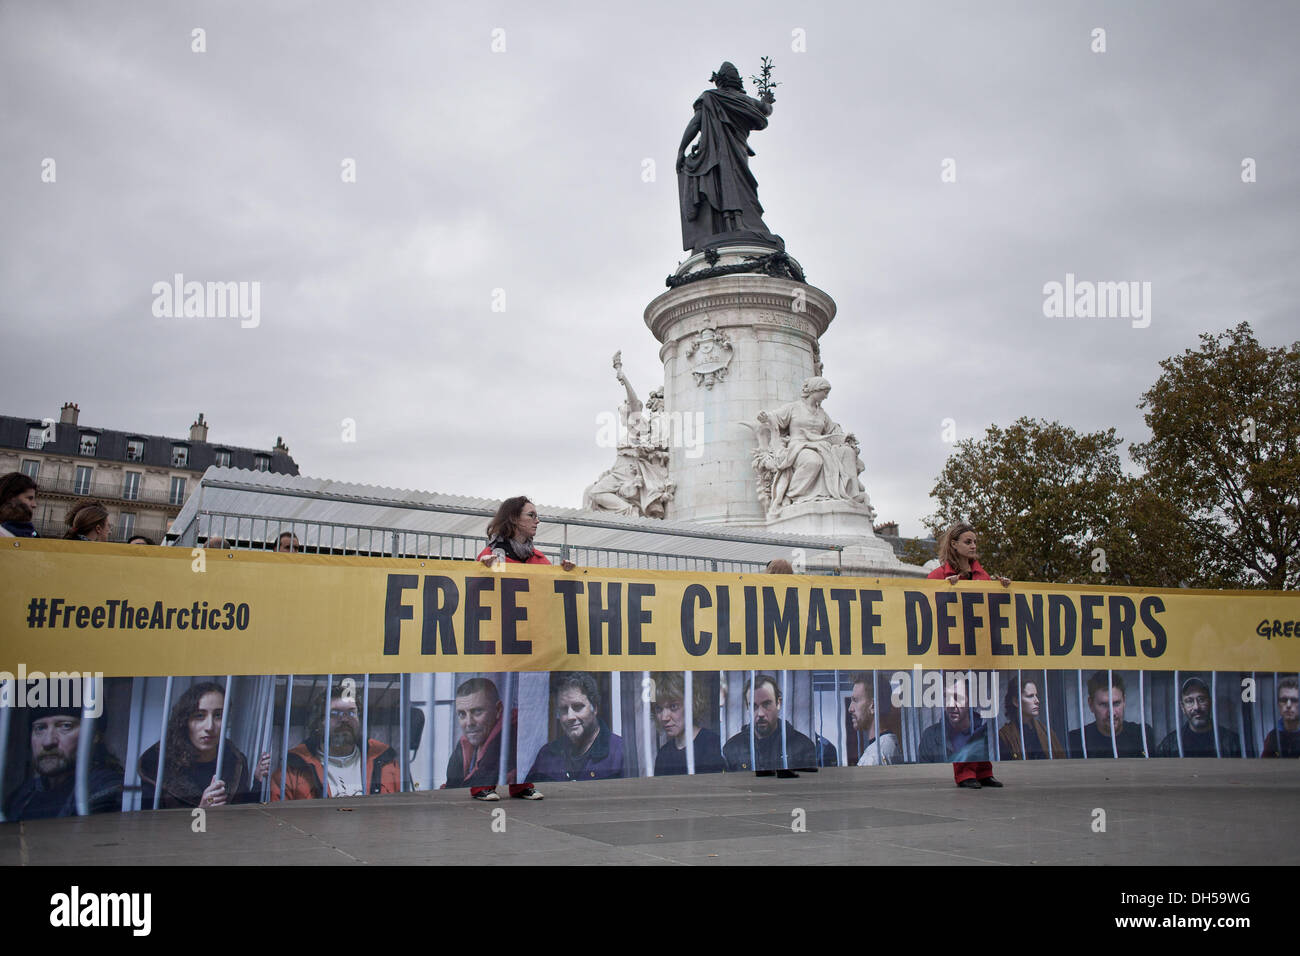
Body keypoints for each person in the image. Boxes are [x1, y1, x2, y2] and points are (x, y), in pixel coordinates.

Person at [676, 61, 781, 253]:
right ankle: (736, 224)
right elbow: (765, 110)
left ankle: (732, 224)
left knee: (726, 183)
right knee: (739, 186)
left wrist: (681, 150)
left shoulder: (711, 97)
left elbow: (695, 124)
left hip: (718, 156)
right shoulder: (744, 100)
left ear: (719, 81)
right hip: (735, 153)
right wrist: (767, 100)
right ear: (737, 81)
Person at [138, 681, 270, 808]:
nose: (210, 726)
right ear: (185, 721)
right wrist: (201, 811)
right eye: (199, 715)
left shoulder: (236, 762)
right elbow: (152, 826)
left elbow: (242, 817)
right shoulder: (156, 763)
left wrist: (258, 780)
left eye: (218, 715)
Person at [271, 682, 401, 799]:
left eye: (351, 713)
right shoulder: (292, 771)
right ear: (319, 723)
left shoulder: (387, 764)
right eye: (334, 714)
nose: (344, 719)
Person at [4, 700, 123, 820]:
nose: (48, 742)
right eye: (40, 728)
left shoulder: (107, 790)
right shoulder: (21, 797)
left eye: (65, 726)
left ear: (94, 735)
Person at [442, 677, 538, 801]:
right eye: (462, 714)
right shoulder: (464, 744)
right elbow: (452, 786)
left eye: (477, 711)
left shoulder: (509, 735)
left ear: (498, 710)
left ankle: (520, 788)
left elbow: (474, 781)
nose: (469, 722)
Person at [527, 672, 625, 782]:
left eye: (578, 707)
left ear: (595, 708)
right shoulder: (546, 756)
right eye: (564, 709)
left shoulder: (620, 752)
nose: (570, 717)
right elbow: (528, 794)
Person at [722, 674, 819, 776]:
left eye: (766, 704)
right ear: (747, 707)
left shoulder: (803, 747)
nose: (760, 714)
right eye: (753, 706)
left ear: (778, 703)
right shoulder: (731, 749)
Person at [918, 675, 1001, 788]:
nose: (951, 704)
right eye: (946, 697)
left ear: (970, 700)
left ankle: (983, 773)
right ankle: (966, 774)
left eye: (958, 698)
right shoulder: (930, 735)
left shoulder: (981, 727)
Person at [1067, 672, 1155, 758]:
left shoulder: (1142, 735)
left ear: (1124, 701)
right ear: (1091, 705)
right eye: (1103, 705)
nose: (1111, 713)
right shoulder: (1075, 740)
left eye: (1116, 703)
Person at [651, 672, 725, 775]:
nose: (664, 717)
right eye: (659, 708)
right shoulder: (663, 755)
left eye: (673, 706)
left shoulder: (713, 745)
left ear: (692, 704)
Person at [477, 496, 575, 571]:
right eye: (531, 515)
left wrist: (567, 577)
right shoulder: (490, 557)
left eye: (536, 516)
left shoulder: (540, 560)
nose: (537, 521)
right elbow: (473, 593)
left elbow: (553, 594)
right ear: (514, 518)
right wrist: (482, 572)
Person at [1154, 677, 1240, 758]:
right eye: (1189, 701)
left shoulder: (1232, 742)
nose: (1196, 707)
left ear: (1210, 702)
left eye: (1201, 699)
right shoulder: (1169, 744)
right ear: (1182, 707)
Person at [999, 673, 1064, 760]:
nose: (1037, 701)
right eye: (1030, 696)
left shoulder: (1046, 731)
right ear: (1016, 701)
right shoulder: (1005, 735)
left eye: (1036, 695)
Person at [927, 521, 1011, 587]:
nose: (973, 546)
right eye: (968, 542)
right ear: (954, 544)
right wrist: (945, 587)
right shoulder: (937, 576)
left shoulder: (983, 576)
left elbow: (990, 606)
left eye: (975, 542)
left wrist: (1003, 589)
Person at [849, 673, 900, 766]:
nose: (850, 708)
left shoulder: (876, 756)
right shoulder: (884, 745)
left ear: (873, 706)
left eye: (855, 700)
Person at [1262, 676, 1300, 758]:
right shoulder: (1272, 737)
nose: (1288, 705)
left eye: (1294, 700)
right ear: (1278, 704)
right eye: (1283, 700)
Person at [0, 472, 39, 537]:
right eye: (29, 498)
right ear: (10, 498)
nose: (34, 505)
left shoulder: (32, 533)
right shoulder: (31, 534)